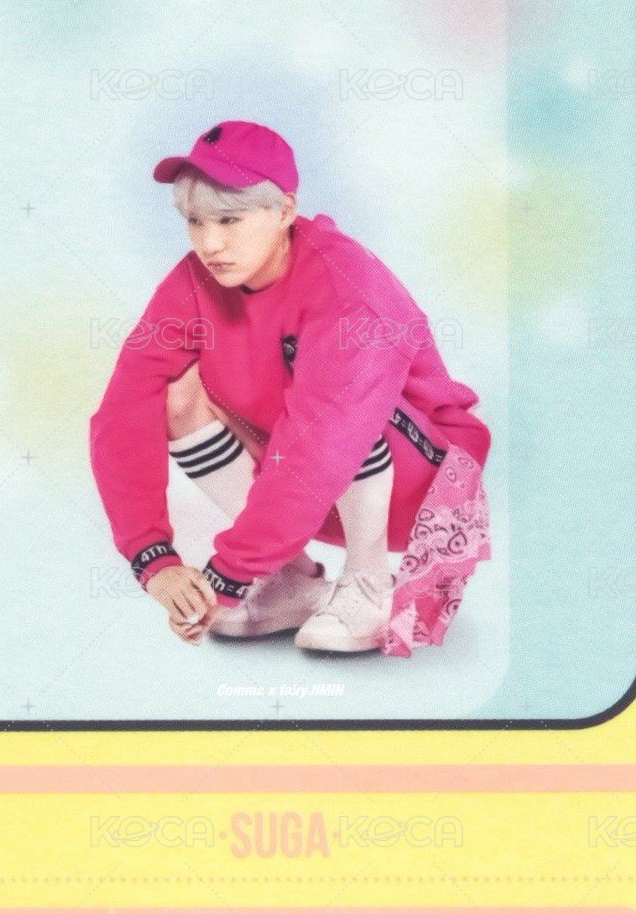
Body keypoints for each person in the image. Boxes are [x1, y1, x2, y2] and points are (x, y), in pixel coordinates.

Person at [89, 121, 491, 655]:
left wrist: (225, 577)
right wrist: (153, 558)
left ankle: (368, 581)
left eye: (230, 219)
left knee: (349, 406)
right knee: (172, 390)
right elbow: (124, 407)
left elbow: (326, 440)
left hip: (420, 483)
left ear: (283, 211)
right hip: (297, 474)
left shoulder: (347, 287)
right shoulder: (195, 280)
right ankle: (288, 579)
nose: (210, 243)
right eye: (195, 221)